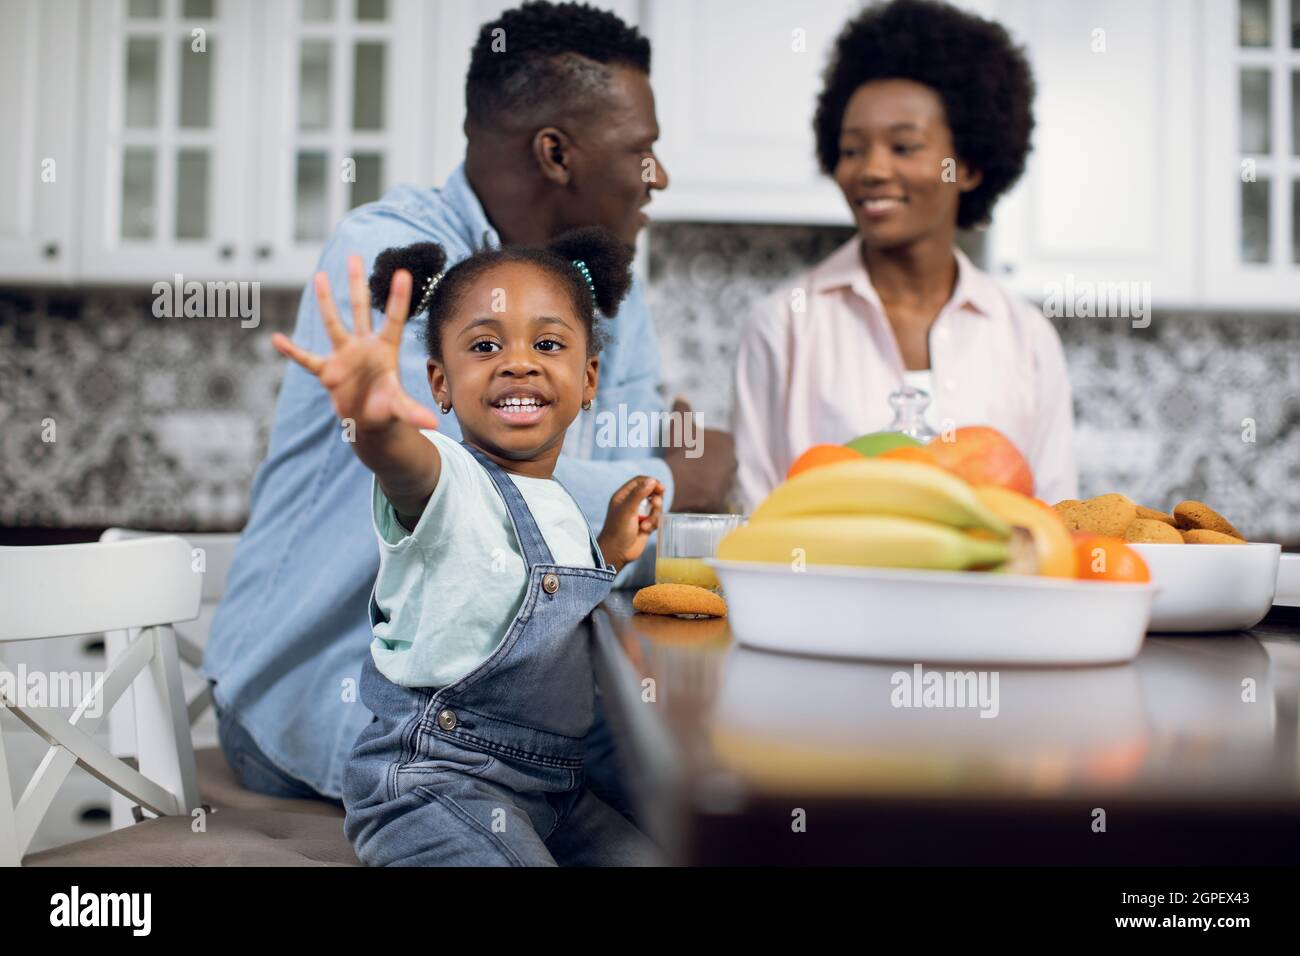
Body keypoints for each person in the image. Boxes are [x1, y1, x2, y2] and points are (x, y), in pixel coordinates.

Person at [203, 1, 735, 807]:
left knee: (698, 780)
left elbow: (612, 536)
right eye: (642, 150)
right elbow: (475, 496)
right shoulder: (395, 257)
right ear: (557, 154)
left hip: (498, 697)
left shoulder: (605, 279)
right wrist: (673, 479)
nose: (657, 176)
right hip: (318, 699)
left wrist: (661, 496)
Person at [273, 228, 663, 865]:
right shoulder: (446, 478)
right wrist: (373, 421)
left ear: (588, 378)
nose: (517, 361)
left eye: (547, 343)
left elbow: (536, 596)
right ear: (440, 383)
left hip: (551, 789)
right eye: (484, 346)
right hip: (438, 785)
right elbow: (403, 464)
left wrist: (610, 552)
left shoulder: (561, 506)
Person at [731, 0, 1078, 510]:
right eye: (851, 149)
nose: (871, 170)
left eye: (904, 146)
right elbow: (755, 515)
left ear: (969, 166)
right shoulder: (784, 325)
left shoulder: (1025, 338)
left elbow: (1056, 519)